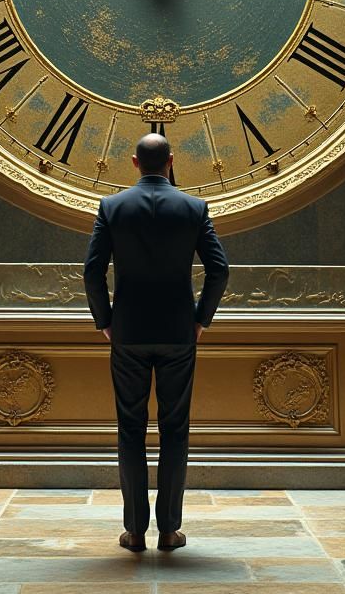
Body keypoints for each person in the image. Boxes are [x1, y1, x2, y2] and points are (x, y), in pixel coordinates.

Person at [83, 132, 230, 553]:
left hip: (128, 332)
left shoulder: (112, 207)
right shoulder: (194, 208)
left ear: (134, 163)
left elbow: (92, 272)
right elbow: (219, 270)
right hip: (178, 333)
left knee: (130, 430)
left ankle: (134, 531)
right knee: (175, 430)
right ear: (171, 161)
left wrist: (105, 322)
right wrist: (200, 319)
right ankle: (169, 530)